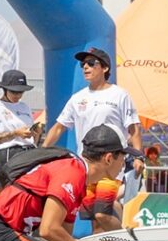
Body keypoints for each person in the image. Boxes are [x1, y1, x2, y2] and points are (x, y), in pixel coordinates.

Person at [0, 124, 129, 241]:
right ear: (109, 158)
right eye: (124, 157)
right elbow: (48, 230)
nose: (124, 163)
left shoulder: (79, 179)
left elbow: (63, 239)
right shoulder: (73, 172)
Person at [45, 47, 141, 231]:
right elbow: (58, 127)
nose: (85, 67)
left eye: (91, 63)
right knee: (93, 220)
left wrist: (138, 156)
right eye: (83, 64)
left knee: (102, 214)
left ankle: (126, 238)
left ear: (105, 68)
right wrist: (41, 151)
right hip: (87, 166)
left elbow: (133, 128)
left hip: (110, 164)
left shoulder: (120, 95)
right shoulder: (77, 98)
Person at [0, 68, 41, 185]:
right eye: (14, 92)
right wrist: (15, 133)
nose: (18, 95)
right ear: (4, 89)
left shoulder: (25, 107)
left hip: (28, 152)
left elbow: (33, 139)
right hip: (7, 153)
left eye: (21, 92)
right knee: (8, 191)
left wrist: (35, 133)